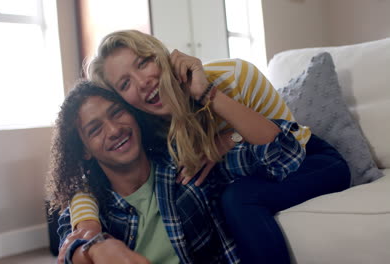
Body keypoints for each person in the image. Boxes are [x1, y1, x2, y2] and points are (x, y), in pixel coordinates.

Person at [68, 30, 351, 263]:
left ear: (162, 56)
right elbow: (86, 182)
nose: (143, 83)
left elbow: (287, 146)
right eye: (125, 83)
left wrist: (215, 111)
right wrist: (87, 228)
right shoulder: (145, 128)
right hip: (253, 167)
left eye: (143, 63)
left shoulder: (234, 77)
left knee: (238, 197)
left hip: (305, 157)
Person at [46, 80, 306, 264]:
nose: (114, 130)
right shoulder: (88, 206)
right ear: (84, 151)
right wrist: (100, 246)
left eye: (117, 113)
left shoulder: (190, 166)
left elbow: (285, 152)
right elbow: (69, 250)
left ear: (134, 115)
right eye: (95, 129)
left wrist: (231, 137)